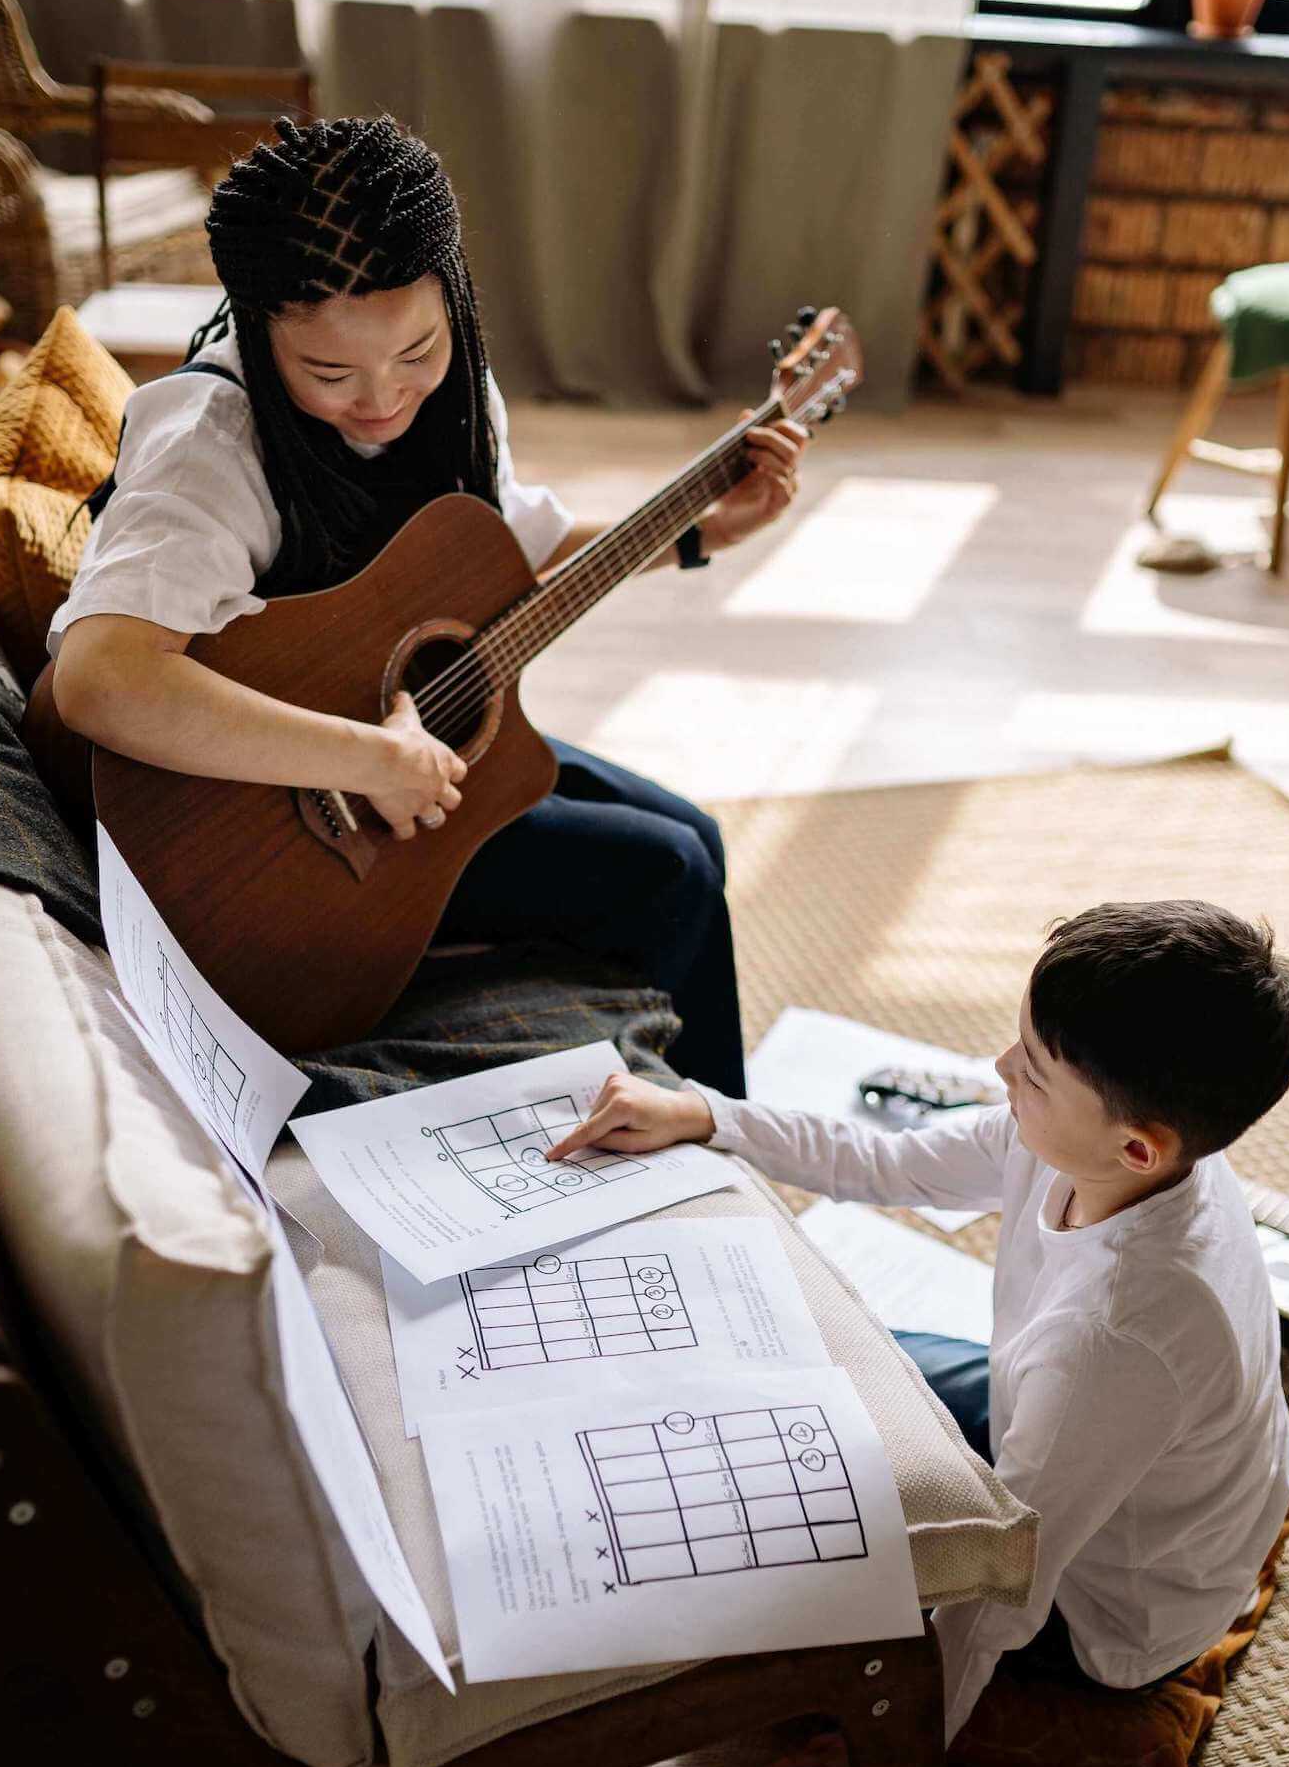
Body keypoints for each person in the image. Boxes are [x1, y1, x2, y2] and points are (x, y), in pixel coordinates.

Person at [49, 116, 808, 1094]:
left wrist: (703, 529)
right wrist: (362, 756)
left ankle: (706, 1130)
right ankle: (684, 1129)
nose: (383, 400)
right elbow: (102, 680)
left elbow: (517, 555)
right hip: (261, 849)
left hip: (391, 761)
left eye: (417, 351)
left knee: (694, 833)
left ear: (451, 296)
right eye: (329, 373)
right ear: (254, 322)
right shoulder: (212, 439)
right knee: (671, 873)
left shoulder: (455, 397)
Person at [550, 899, 1289, 1767]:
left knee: (772, 1600)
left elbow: (1009, 1578)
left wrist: (905, 1747)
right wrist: (705, 1116)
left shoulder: (1120, 1337)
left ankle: (1069, 1715)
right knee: (806, 1374)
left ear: (1137, 1144)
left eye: (1029, 1071)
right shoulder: (1128, 1154)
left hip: (1104, 1606)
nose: (999, 1071)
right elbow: (893, 1161)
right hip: (1085, 1433)